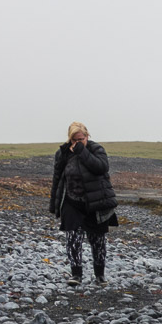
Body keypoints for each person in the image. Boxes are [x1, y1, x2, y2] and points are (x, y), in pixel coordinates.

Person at [49, 122, 118, 285]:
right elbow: (57, 178)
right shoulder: (63, 153)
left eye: (81, 139)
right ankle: (76, 275)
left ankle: (100, 275)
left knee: (98, 240)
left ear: (88, 136)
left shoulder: (96, 149)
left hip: (96, 202)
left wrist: (81, 151)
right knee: (73, 237)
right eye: (74, 140)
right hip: (72, 201)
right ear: (69, 138)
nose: (78, 142)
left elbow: (101, 167)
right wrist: (54, 204)